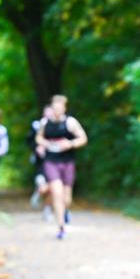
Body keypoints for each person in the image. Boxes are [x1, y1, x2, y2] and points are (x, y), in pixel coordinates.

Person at [36, 95, 88, 239]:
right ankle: (61, 227)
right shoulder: (45, 123)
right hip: (51, 161)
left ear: (64, 108)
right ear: (52, 109)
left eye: (59, 108)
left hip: (67, 162)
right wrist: (45, 144)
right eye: (54, 108)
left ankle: (65, 211)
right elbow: (38, 137)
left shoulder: (70, 123)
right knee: (56, 193)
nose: (57, 111)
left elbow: (83, 138)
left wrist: (70, 144)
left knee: (66, 198)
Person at [29, 105, 55, 219]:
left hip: (55, 161)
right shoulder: (36, 126)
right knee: (43, 184)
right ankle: (39, 192)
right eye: (47, 113)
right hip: (40, 162)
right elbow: (29, 141)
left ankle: (47, 209)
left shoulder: (58, 126)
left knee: (51, 187)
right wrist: (37, 148)